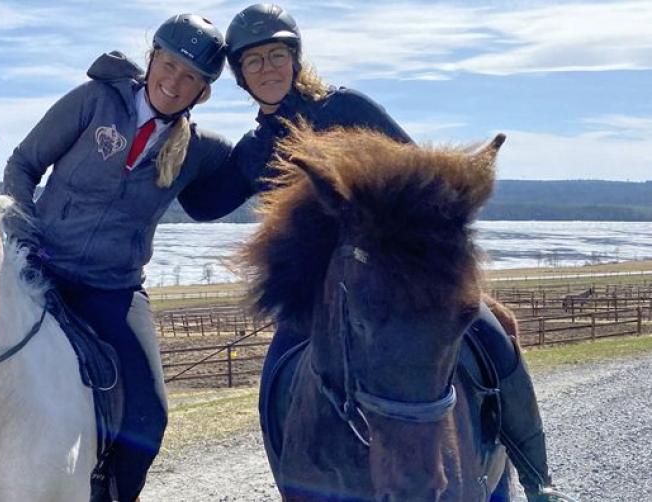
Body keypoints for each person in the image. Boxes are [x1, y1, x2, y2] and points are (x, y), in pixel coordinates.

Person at [203, 4, 561, 501]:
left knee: (491, 336)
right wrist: (179, 136)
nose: (267, 68)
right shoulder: (253, 149)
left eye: (276, 55)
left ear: (294, 58)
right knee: (275, 382)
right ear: (240, 75)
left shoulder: (346, 108)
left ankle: (536, 477)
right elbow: (203, 202)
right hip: (316, 298)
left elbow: (421, 179)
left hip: (395, 276)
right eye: (253, 61)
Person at [2, 13, 233, 502]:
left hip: (114, 287)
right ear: (151, 61)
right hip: (41, 268)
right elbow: (22, 164)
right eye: (168, 64)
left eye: (190, 76)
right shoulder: (93, 101)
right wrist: (24, 236)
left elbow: (252, 169)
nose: (174, 81)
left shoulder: (200, 150)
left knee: (150, 415)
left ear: (202, 91)